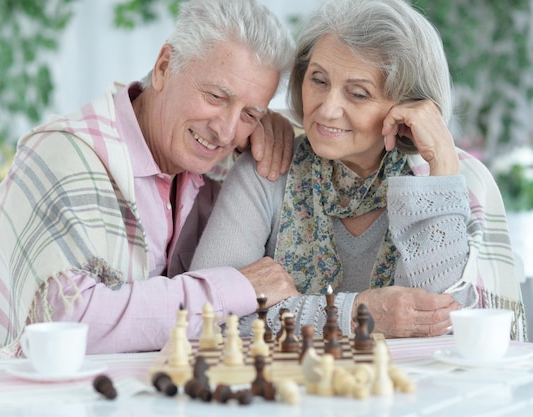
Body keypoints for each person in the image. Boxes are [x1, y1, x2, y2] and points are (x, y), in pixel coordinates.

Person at [0, 0, 299, 363]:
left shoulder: (211, 161)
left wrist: (280, 127)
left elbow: (335, 149)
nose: (226, 130)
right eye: (216, 96)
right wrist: (237, 287)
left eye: (249, 113)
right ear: (165, 66)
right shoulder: (63, 155)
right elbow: (66, 319)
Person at [191, 0, 526, 341]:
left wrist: (440, 167)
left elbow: (442, 323)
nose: (327, 109)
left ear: (407, 104)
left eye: (358, 93)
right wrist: (356, 315)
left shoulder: (448, 181)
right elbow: (206, 314)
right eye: (318, 80)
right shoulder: (269, 165)